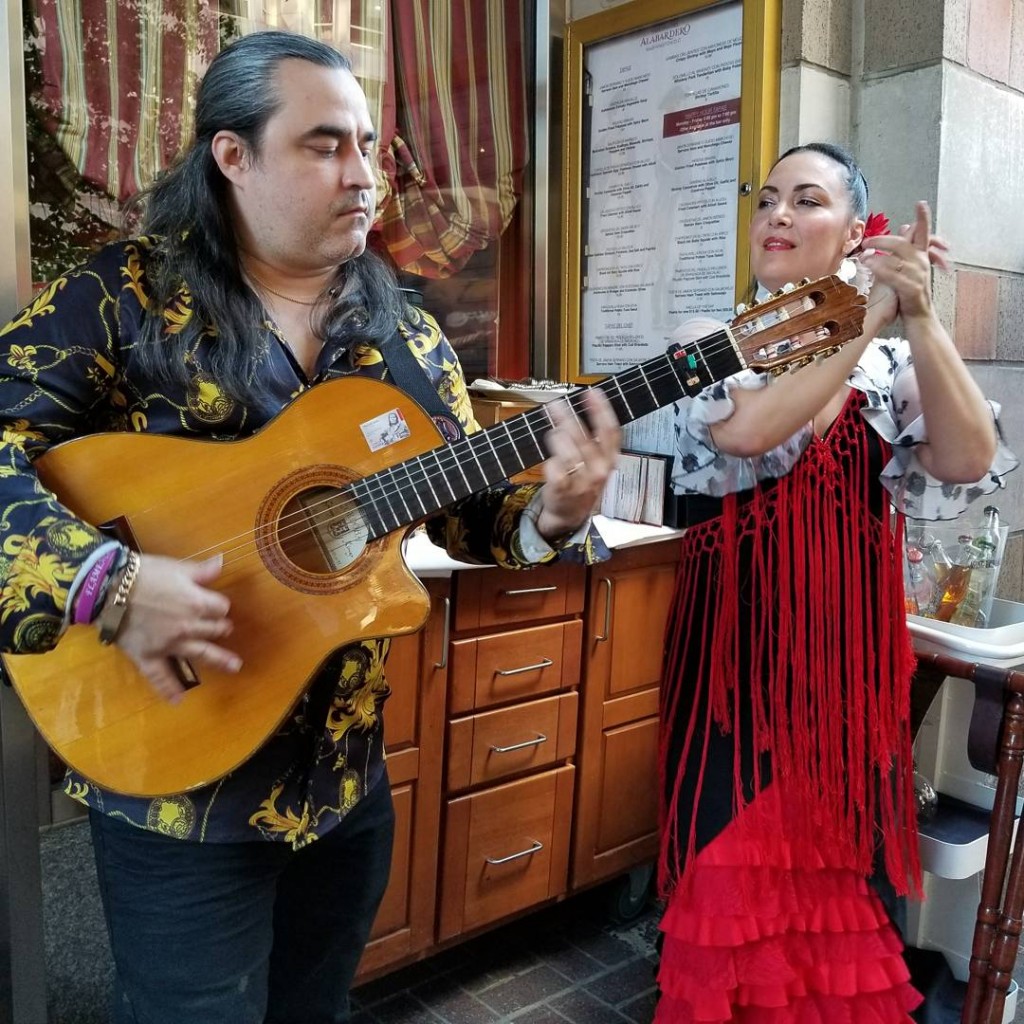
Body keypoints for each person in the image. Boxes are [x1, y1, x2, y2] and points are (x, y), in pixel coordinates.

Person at [0, 30, 621, 1024]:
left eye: (370, 145)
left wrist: (548, 513)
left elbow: (464, 505)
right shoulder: (119, 295)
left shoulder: (407, 336)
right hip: (175, 792)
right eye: (326, 143)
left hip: (343, 788)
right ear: (232, 155)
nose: (364, 173)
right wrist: (106, 581)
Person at [655, 141, 1017, 1022]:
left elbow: (972, 460)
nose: (777, 214)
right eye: (767, 199)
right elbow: (747, 433)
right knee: (728, 872)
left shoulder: (891, 371)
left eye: (806, 200)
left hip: (846, 675)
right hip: (733, 669)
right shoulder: (710, 342)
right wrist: (866, 308)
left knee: (835, 886)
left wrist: (921, 316)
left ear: (856, 229)